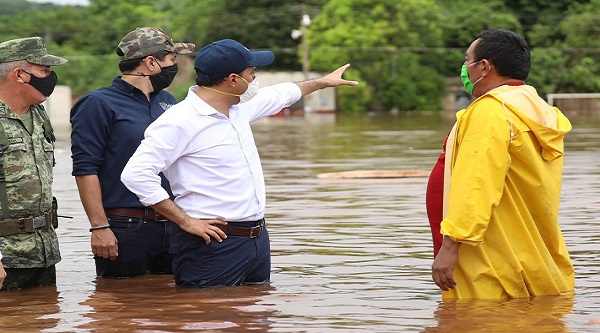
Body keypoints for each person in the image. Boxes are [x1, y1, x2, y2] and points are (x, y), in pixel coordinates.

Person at [120, 39, 358, 288]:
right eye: (252, 74)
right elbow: (136, 174)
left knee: (255, 315)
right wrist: (184, 220)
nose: (255, 80)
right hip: (213, 242)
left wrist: (322, 82)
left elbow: (282, 93)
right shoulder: (179, 120)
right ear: (233, 80)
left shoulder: (238, 109)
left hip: (255, 240)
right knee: (205, 317)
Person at [427, 28, 574, 299]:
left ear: (484, 67)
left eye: (467, 60)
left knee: (478, 322)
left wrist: (451, 244)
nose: (464, 69)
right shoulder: (538, 109)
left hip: (490, 255)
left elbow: (477, 182)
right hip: (525, 247)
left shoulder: (492, 112)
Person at [70, 27, 194, 278]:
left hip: (173, 222)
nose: (175, 66)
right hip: (126, 225)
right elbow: (85, 169)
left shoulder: (167, 102)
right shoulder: (99, 104)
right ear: (150, 63)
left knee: (171, 307)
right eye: (171, 60)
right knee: (121, 308)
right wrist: (99, 227)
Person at [0, 37, 66, 290]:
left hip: (43, 253)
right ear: (19, 75)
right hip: (6, 258)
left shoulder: (38, 114)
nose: (50, 77)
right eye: (44, 71)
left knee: (43, 321)